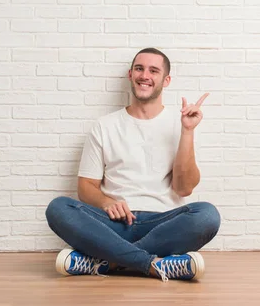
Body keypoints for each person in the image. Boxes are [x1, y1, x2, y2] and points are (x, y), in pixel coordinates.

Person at [45, 48, 220, 282]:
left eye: (153, 70)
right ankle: (152, 265)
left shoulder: (179, 123)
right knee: (58, 208)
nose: (144, 75)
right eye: (139, 68)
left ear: (166, 80)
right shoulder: (104, 126)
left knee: (207, 215)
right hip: (113, 224)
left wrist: (187, 131)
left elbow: (184, 189)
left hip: (163, 223)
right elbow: (85, 186)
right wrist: (107, 202)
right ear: (130, 74)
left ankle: (107, 262)